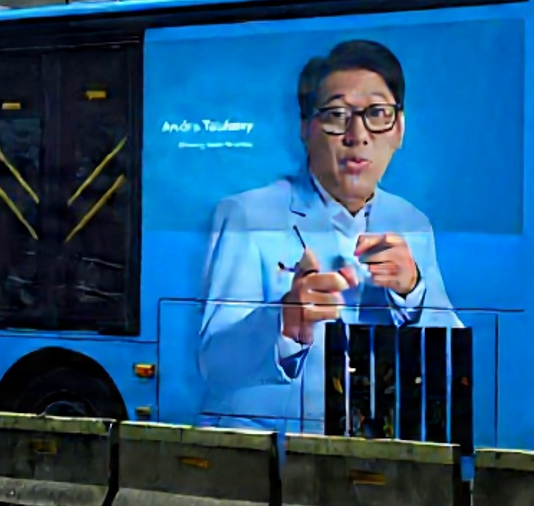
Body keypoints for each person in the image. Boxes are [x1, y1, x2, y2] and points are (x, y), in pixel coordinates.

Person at [197, 40, 459, 431]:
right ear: (305, 127)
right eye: (337, 115)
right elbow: (214, 365)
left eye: (377, 114)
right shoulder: (247, 215)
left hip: (374, 453)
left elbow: (453, 366)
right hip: (273, 451)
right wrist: (284, 324)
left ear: (399, 129)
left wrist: (415, 292)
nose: (358, 135)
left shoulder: (411, 222)